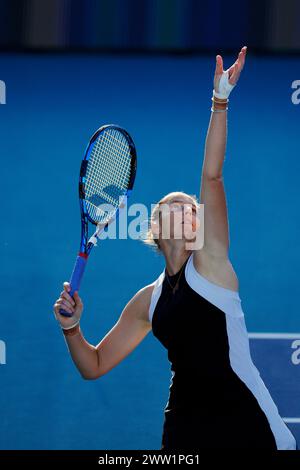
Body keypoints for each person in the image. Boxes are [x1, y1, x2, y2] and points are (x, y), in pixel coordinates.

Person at [53, 46, 296, 450]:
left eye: (192, 209)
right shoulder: (148, 301)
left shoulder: (212, 266)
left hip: (249, 429)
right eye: (175, 207)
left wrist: (220, 101)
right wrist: (71, 328)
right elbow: (93, 365)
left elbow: (212, 176)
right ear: (154, 228)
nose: (188, 211)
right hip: (184, 431)